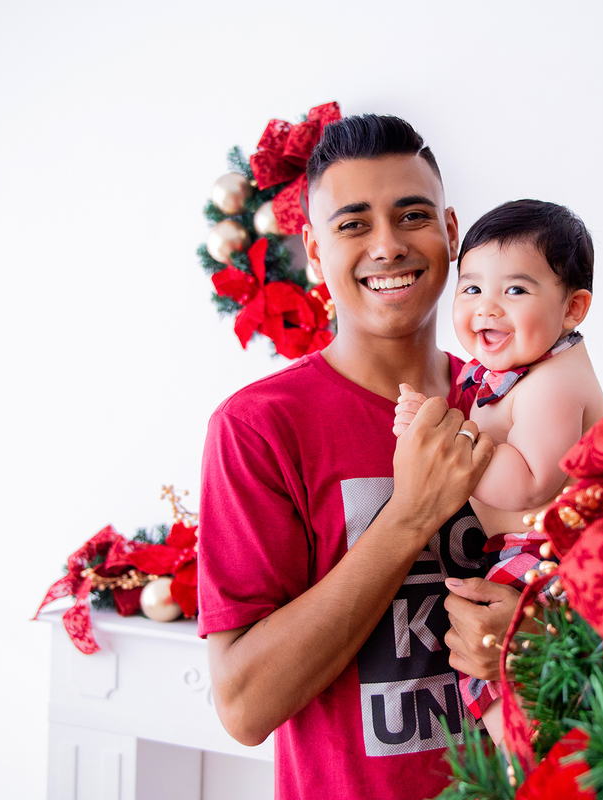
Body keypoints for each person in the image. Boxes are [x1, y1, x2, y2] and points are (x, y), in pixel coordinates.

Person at [197, 115, 518, 800]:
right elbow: (243, 705)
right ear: (314, 250)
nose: (388, 245)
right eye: (353, 225)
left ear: (452, 230)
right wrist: (408, 518)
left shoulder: (513, 402)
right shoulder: (259, 429)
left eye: (412, 215)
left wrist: (530, 632)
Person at [393, 199, 603, 742]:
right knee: (485, 670)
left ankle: (528, 767)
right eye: (471, 288)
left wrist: (443, 437)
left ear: (573, 309)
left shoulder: (555, 382)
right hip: (525, 554)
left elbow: (528, 481)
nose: (487, 308)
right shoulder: (506, 371)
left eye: (514, 290)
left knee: (502, 682)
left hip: (559, 558)